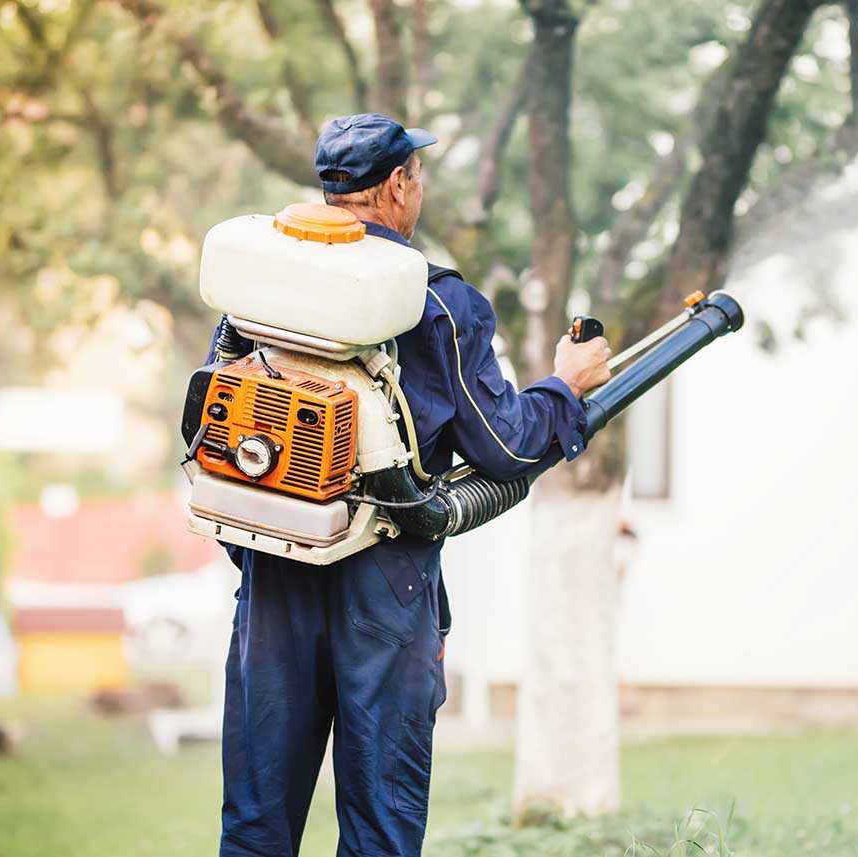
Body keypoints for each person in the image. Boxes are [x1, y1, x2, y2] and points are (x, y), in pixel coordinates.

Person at [203, 113, 613, 857]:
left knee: (256, 828)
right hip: (384, 579)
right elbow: (506, 445)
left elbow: (214, 423)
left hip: (274, 577)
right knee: (381, 830)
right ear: (397, 185)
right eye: (417, 175)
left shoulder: (260, 287)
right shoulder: (438, 300)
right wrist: (566, 385)